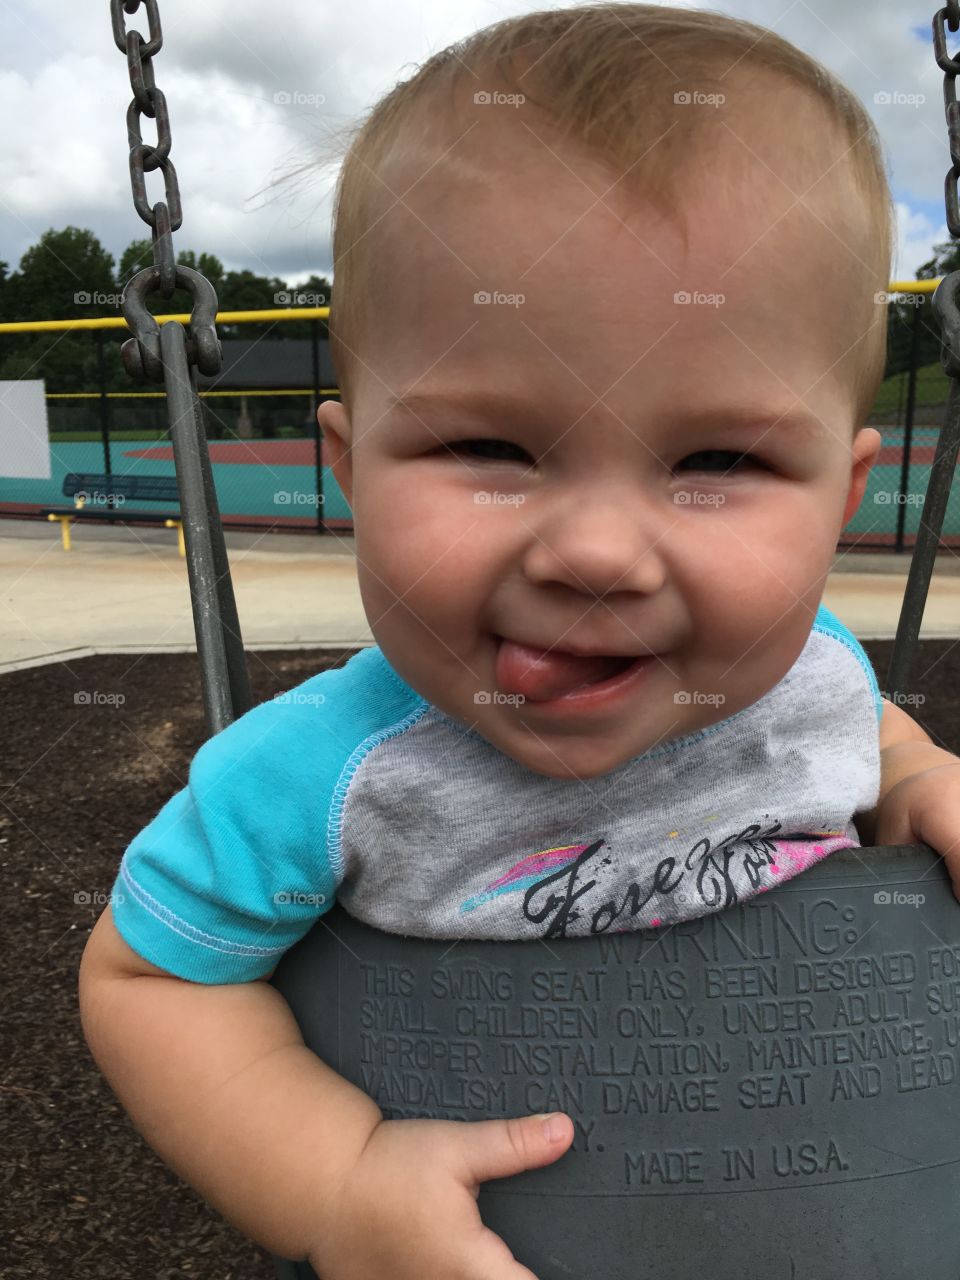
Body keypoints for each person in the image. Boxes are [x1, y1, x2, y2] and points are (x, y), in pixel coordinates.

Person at [78, 6, 960, 1278]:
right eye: (487, 449)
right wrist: (337, 1188)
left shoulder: (810, 665)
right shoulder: (317, 778)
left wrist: (921, 774)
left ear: (840, 496)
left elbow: (859, 719)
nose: (596, 552)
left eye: (718, 460)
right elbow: (152, 983)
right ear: (350, 467)